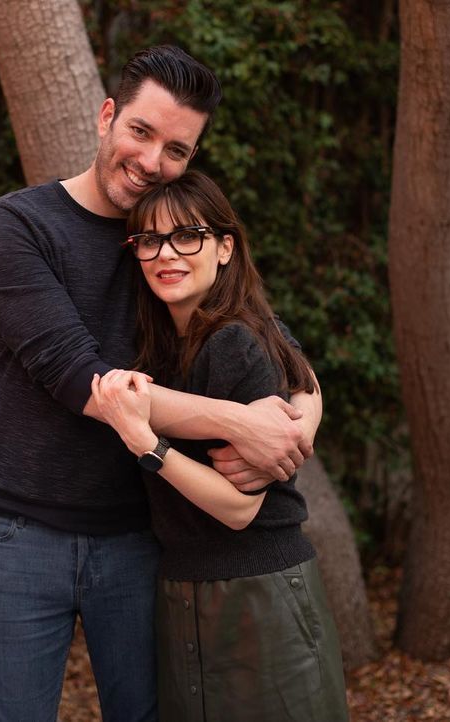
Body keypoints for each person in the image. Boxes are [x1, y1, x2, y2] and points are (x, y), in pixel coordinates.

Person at [0, 45, 323, 721]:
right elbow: (82, 378)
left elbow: (282, 348)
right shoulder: (16, 226)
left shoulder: (167, 239)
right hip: (20, 534)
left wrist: (296, 425)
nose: (154, 161)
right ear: (107, 116)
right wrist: (239, 422)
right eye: (141, 131)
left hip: (139, 536)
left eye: (177, 149)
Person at [89, 170, 348, 721]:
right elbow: (306, 379)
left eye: (188, 236)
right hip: (183, 589)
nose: (167, 254)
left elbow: (238, 510)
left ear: (225, 247)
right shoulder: (159, 350)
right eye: (150, 240)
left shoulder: (235, 341)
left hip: (260, 589)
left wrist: (145, 441)